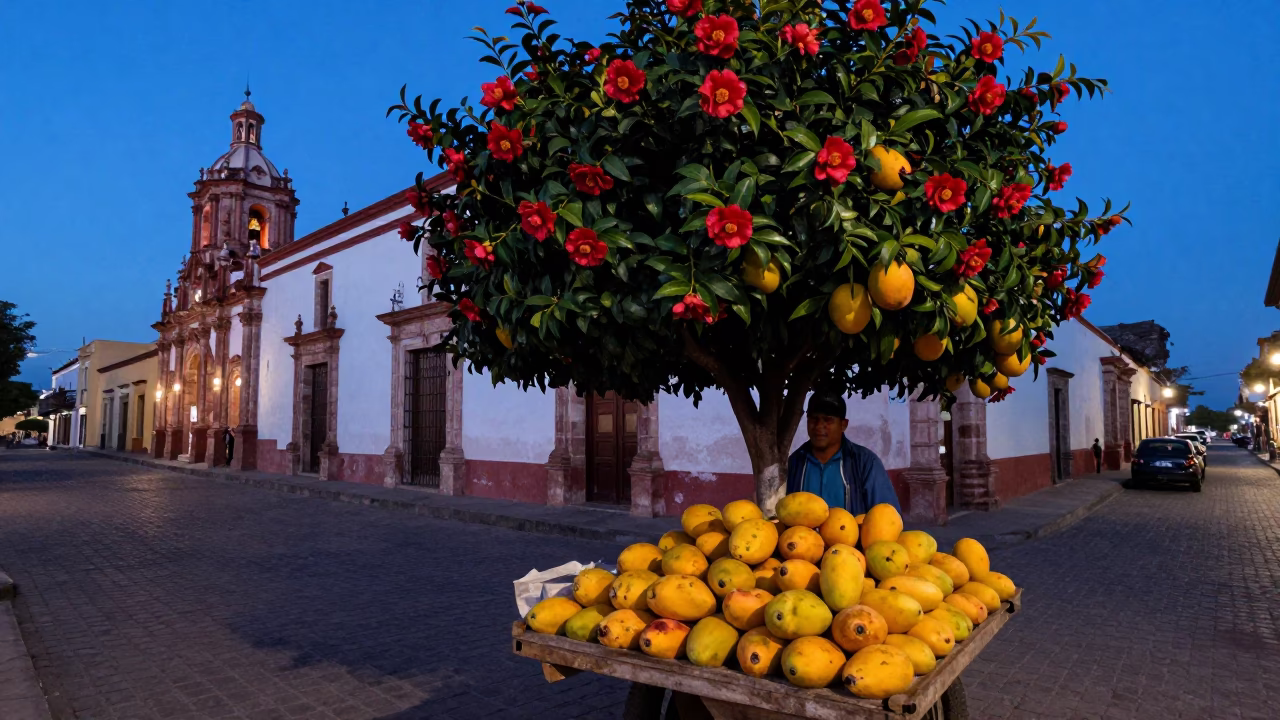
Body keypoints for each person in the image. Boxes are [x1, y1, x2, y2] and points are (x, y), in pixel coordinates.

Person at [785, 390, 900, 514]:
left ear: (843, 425)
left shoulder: (865, 463)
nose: (819, 426)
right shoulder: (794, 464)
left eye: (827, 420)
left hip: (849, 532)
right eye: (813, 419)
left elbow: (888, 516)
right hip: (802, 534)